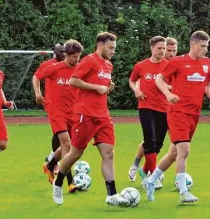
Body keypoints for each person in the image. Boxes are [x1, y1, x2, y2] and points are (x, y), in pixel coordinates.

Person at [51, 32, 130, 207]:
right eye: (110, 48)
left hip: (103, 116)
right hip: (85, 115)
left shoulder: (108, 65)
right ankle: (58, 183)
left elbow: (102, 86)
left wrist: (107, 87)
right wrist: (97, 88)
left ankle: (111, 194)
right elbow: (73, 81)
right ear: (100, 45)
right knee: (76, 153)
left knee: (109, 154)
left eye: (114, 48)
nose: (113, 51)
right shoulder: (89, 61)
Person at [143, 31, 210, 204]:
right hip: (178, 112)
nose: (205, 50)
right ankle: (184, 192)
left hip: (194, 114)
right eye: (203, 46)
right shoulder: (178, 62)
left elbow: (207, 83)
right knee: (184, 150)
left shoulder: (208, 63)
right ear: (193, 45)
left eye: (207, 46)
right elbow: (159, 79)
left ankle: (151, 181)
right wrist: (168, 94)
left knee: (173, 153)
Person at [32, 39, 83, 193]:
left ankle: (50, 165)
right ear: (66, 55)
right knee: (67, 144)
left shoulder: (80, 69)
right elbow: (36, 77)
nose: (77, 59)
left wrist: (107, 86)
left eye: (78, 56)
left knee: (71, 146)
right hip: (56, 111)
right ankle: (70, 182)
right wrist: (38, 94)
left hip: (73, 112)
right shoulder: (54, 68)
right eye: (74, 56)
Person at [128, 37, 178, 183]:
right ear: (151, 48)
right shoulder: (140, 66)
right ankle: (154, 177)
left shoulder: (169, 66)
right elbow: (132, 80)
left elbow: (175, 84)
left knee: (158, 144)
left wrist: (169, 88)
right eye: (159, 48)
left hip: (164, 108)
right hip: (146, 106)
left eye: (164, 49)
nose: (162, 51)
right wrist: (136, 89)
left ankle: (145, 171)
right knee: (150, 141)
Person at [35, 44, 66, 165]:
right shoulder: (48, 65)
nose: (62, 55)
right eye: (60, 52)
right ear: (55, 52)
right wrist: (38, 94)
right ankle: (55, 162)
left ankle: (52, 158)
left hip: (68, 105)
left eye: (64, 52)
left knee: (65, 134)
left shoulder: (71, 64)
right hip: (52, 104)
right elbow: (36, 77)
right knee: (59, 133)